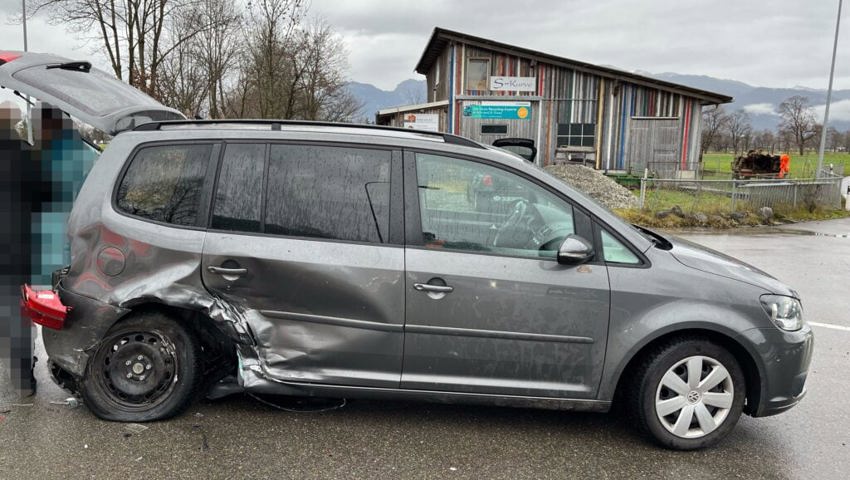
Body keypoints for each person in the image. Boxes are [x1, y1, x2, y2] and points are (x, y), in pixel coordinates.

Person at [0, 101, 38, 397]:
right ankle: (24, 378)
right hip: (19, 244)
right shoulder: (27, 154)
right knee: (19, 311)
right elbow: (44, 199)